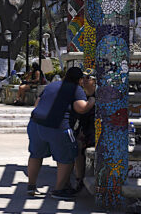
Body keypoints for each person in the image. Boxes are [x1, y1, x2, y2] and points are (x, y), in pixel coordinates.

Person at [26, 66, 95, 200]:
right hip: (58, 127)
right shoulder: (76, 89)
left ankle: (31, 186)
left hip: (35, 125)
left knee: (35, 154)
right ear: (80, 80)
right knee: (67, 157)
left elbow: (37, 104)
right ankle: (59, 190)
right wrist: (91, 100)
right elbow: (81, 108)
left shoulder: (52, 85)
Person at [69, 73, 97, 194]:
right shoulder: (82, 96)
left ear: (95, 82)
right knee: (75, 144)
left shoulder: (101, 96)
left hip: (96, 133)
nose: (84, 80)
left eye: (88, 78)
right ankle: (79, 180)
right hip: (87, 132)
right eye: (83, 78)